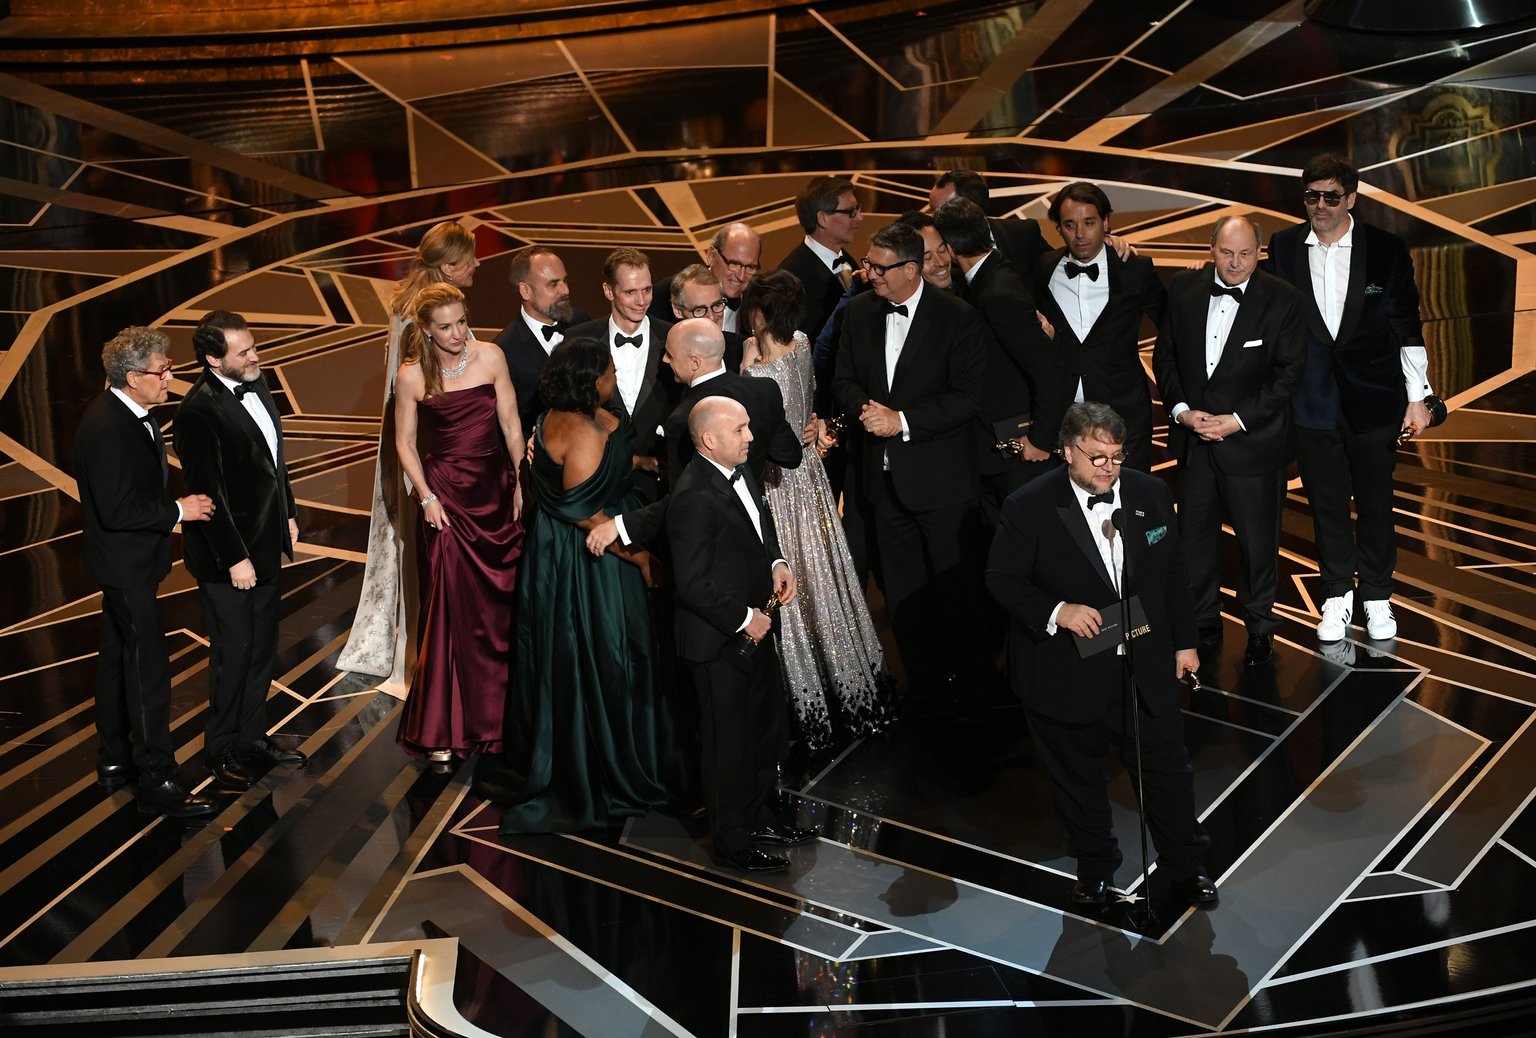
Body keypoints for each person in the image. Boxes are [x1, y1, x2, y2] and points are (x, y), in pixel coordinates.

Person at [985, 401, 1216, 908]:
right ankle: (1094, 869)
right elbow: (1001, 579)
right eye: (1096, 458)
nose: (1108, 468)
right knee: (1077, 779)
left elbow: (1174, 574)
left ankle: (1187, 866)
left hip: (1144, 662)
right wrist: (1058, 610)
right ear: (1066, 452)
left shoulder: (1150, 493)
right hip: (1064, 669)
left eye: (1116, 456)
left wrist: (1185, 642)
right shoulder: (1029, 505)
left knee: (1166, 772)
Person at [473, 337, 677, 832]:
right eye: (608, 371)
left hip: (577, 539)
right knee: (605, 652)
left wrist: (642, 463)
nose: (613, 377)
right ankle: (605, 761)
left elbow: (601, 466)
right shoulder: (582, 431)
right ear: (590, 381)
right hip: (590, 560)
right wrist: (640, 557)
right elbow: (584, 510)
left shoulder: (569, 417)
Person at [1266, 153, 1432, 642]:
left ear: (1352, 199)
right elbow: (1269, 313)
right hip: (1312, 400)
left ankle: (1378, 594)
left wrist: (1417, 396)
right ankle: (1338, 593)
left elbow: (1406, 324)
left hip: (1376, 398)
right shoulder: (1284, 246)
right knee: (1327, 503)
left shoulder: (1386, 248)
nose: (1319, 206)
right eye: (1311, 196)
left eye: (1330, 197)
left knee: (1377, 502)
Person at [832, 221, 990, 703]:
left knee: (955, 591)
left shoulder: (958, 318)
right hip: (882, 483)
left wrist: (901, 420)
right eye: (868, 265)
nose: (869, 274)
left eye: (880, 268)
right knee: (901, 593)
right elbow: (841, 380)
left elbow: (969, 398)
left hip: (942, 484)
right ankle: (925, 681)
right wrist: (870, 413)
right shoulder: (858, 312)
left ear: (911, 269)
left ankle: (972, 686)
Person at [740, 270, 894, 749]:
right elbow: (808, 403)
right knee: (824, 578)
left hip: (778, 482)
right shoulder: (803, 342)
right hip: (809, 476)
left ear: (759, 310)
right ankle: (848, 682)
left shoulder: (755, 361)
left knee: (792, 579)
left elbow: (760, 425)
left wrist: (745, 365)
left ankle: (808, 700)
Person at [74, 327, 216, 819]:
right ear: (133, 377)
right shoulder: (108, 428)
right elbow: (117, 510)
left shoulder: (129, 413)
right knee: (147, 669)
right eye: (163, 371)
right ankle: (158, 776)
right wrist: (179, 511)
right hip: (125, 567)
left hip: (126, 565)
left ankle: (115, 760)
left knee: (117, 661)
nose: (169, 378)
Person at [668, 396, 813, 873]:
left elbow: (757, 528)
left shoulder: (741, 470)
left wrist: (776, 562)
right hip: (719, 642)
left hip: (755, 630)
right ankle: (731, 842)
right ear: (710, 440)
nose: (751, 436)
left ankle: (760, 816)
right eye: (741, 429)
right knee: (726, 744)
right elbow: (691, 583)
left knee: (762, 731)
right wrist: (743, 618)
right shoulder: (692, 495)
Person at [1154, 217, 1306, 667]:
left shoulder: (1283, 300)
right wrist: (1181, 411)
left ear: (1259, 252)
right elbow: (1166, 354)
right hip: (1195, 440)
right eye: (1226, 253)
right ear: (1211, 248)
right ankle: (1203, 621)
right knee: (1194, 538)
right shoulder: (1183, 288)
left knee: (1258, 544)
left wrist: (1237, 421)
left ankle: (1259, 627)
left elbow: (1288, 375)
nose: (1235, 263)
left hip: (1253, 443)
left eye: (1245, 254)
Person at [338, 220, 480, 690]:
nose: (477, 265)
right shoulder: (429, 316)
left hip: (415, 439)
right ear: (447, 267)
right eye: (469, 260)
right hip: (428, 446)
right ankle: (427, 659)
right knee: (425, 551)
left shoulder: (411, 305)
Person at [175, 310, 307, 790]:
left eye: (254, 346)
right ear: (213, 359)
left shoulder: (256, 380)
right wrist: (236, 559)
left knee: (261, 651)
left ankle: (253, 737)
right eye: (244, 351)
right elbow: (208, 498)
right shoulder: (196, 413)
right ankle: (221, 748)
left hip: (268, 544)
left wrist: (288, 512)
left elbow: (275, 460)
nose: (255, 356)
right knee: (233, 655)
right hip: (228, 559)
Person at [392, 283, 524, 761]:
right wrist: (425, 496)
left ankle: (499, 718)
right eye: (444, 327)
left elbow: (511, 423)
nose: (456, 334)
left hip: (494, 488)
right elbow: (405, 443)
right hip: (445, 495)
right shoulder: (410, 376)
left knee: (499, 606)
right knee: (448, 608)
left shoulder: (490, 357)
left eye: (461, 322)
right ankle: (443, 729)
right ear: (425, 330)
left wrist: (521, 481)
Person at [933, 196, 1061, 530]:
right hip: (998, 450)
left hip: (1019, 454)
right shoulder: (988, 278)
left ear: (948, 247)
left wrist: (1040, 440)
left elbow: (1047, 369)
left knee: (1029, 543)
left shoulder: (996, 293)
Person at [1034, 182, 1167, 471]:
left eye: (1089, 223)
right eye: (1070, 225)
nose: (1080, 234)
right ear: (1058, 228)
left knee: (1130, 502)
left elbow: (1173, 325)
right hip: (1063, 417)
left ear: (1106, 222)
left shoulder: (1135, 269)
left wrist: (1204, 277)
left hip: (1125, 413)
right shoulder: (1044, 268)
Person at [566, 248, 676, 502]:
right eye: (630, 292)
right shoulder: (578, 340)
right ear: (608, 291)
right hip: (598, 482)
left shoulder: (674, 337)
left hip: (660, 487)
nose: (641, 301)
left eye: (647, 290)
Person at [492, 245, 590, 440]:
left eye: (565, 281)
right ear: (525, 290)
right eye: (553, 284)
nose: (565, 290)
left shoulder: (582, 322)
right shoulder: (504, 350)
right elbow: (509, 426)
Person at [777, 175, 862, 342]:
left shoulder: (849, 261)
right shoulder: (789, 278)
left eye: (858, 209)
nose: (860, 217)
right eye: (851, 211)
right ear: (823, 218)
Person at [650, 222, 762, 337]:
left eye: (750, 267)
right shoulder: (665, 293)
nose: (741, 276)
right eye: (733, 264)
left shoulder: (760, 304)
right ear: (711, 256)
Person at [928, 167, 1049, 265]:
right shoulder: (938, 256)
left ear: (970, 209)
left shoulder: (1024, 233)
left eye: (940, 211)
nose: (933, 219)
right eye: (932, 211)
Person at [668, 263, 745, 374]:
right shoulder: (665, 358)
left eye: (717, 305)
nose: (711, 317)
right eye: (699, 310)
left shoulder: (743, 350)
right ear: (678, 311)